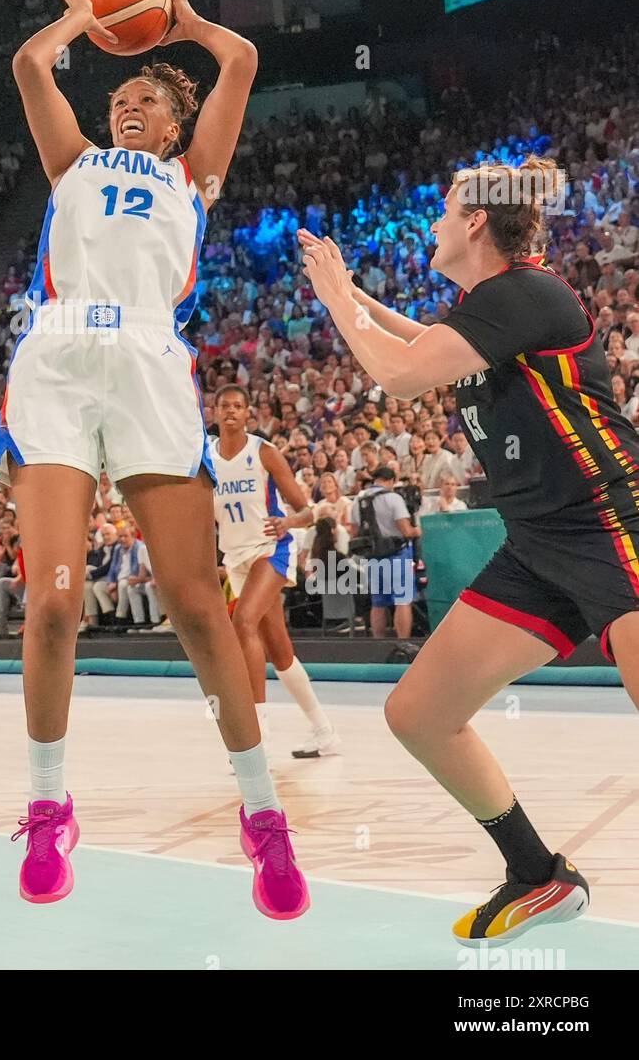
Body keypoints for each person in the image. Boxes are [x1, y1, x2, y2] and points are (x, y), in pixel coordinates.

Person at [0, 0, 307, 918]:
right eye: (119, 97)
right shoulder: (71, 163)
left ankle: (262, 817)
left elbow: (240, 59)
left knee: (196, 607)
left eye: (143, 100)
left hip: (151, 362)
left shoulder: (193, 176)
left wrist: (188, 18)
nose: (125, 106)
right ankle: (48, 805)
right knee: (50, 605)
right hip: (57, 355)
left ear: (173, 124)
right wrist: (80, 20)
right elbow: (28, 65)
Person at [298, 154, 639, 947]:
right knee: (419, 712)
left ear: (477, 221)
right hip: (539, 546)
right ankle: (538, 874)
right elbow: (420, 340)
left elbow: (402, 373)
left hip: (613, 523)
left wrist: (334, 302)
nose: (435, 222)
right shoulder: (487, 312)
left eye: (446, 209)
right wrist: (350, 296)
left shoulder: (525, 291)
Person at [211, 384, 340, 758]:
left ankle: (257, 735)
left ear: (249, 413)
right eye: (225, 405)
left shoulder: (264, 452)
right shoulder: (206, 457)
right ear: (215, 411)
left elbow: (306, 510)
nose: (231, 411)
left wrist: (289, 523)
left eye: (238, 406)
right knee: (280, 652)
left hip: (272, 548)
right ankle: (323, 730)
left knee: (243, 622)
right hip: (235, 556)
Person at [347, 467, 422, 639]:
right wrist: (418, 531)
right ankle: (403, 641)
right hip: (397, 554)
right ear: (391, 480)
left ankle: (378, 642)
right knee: (402, 600)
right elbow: (406, 530)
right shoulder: (393, 498)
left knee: (378, 603)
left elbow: (354, 531)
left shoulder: (359, 500)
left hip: (372, 557)